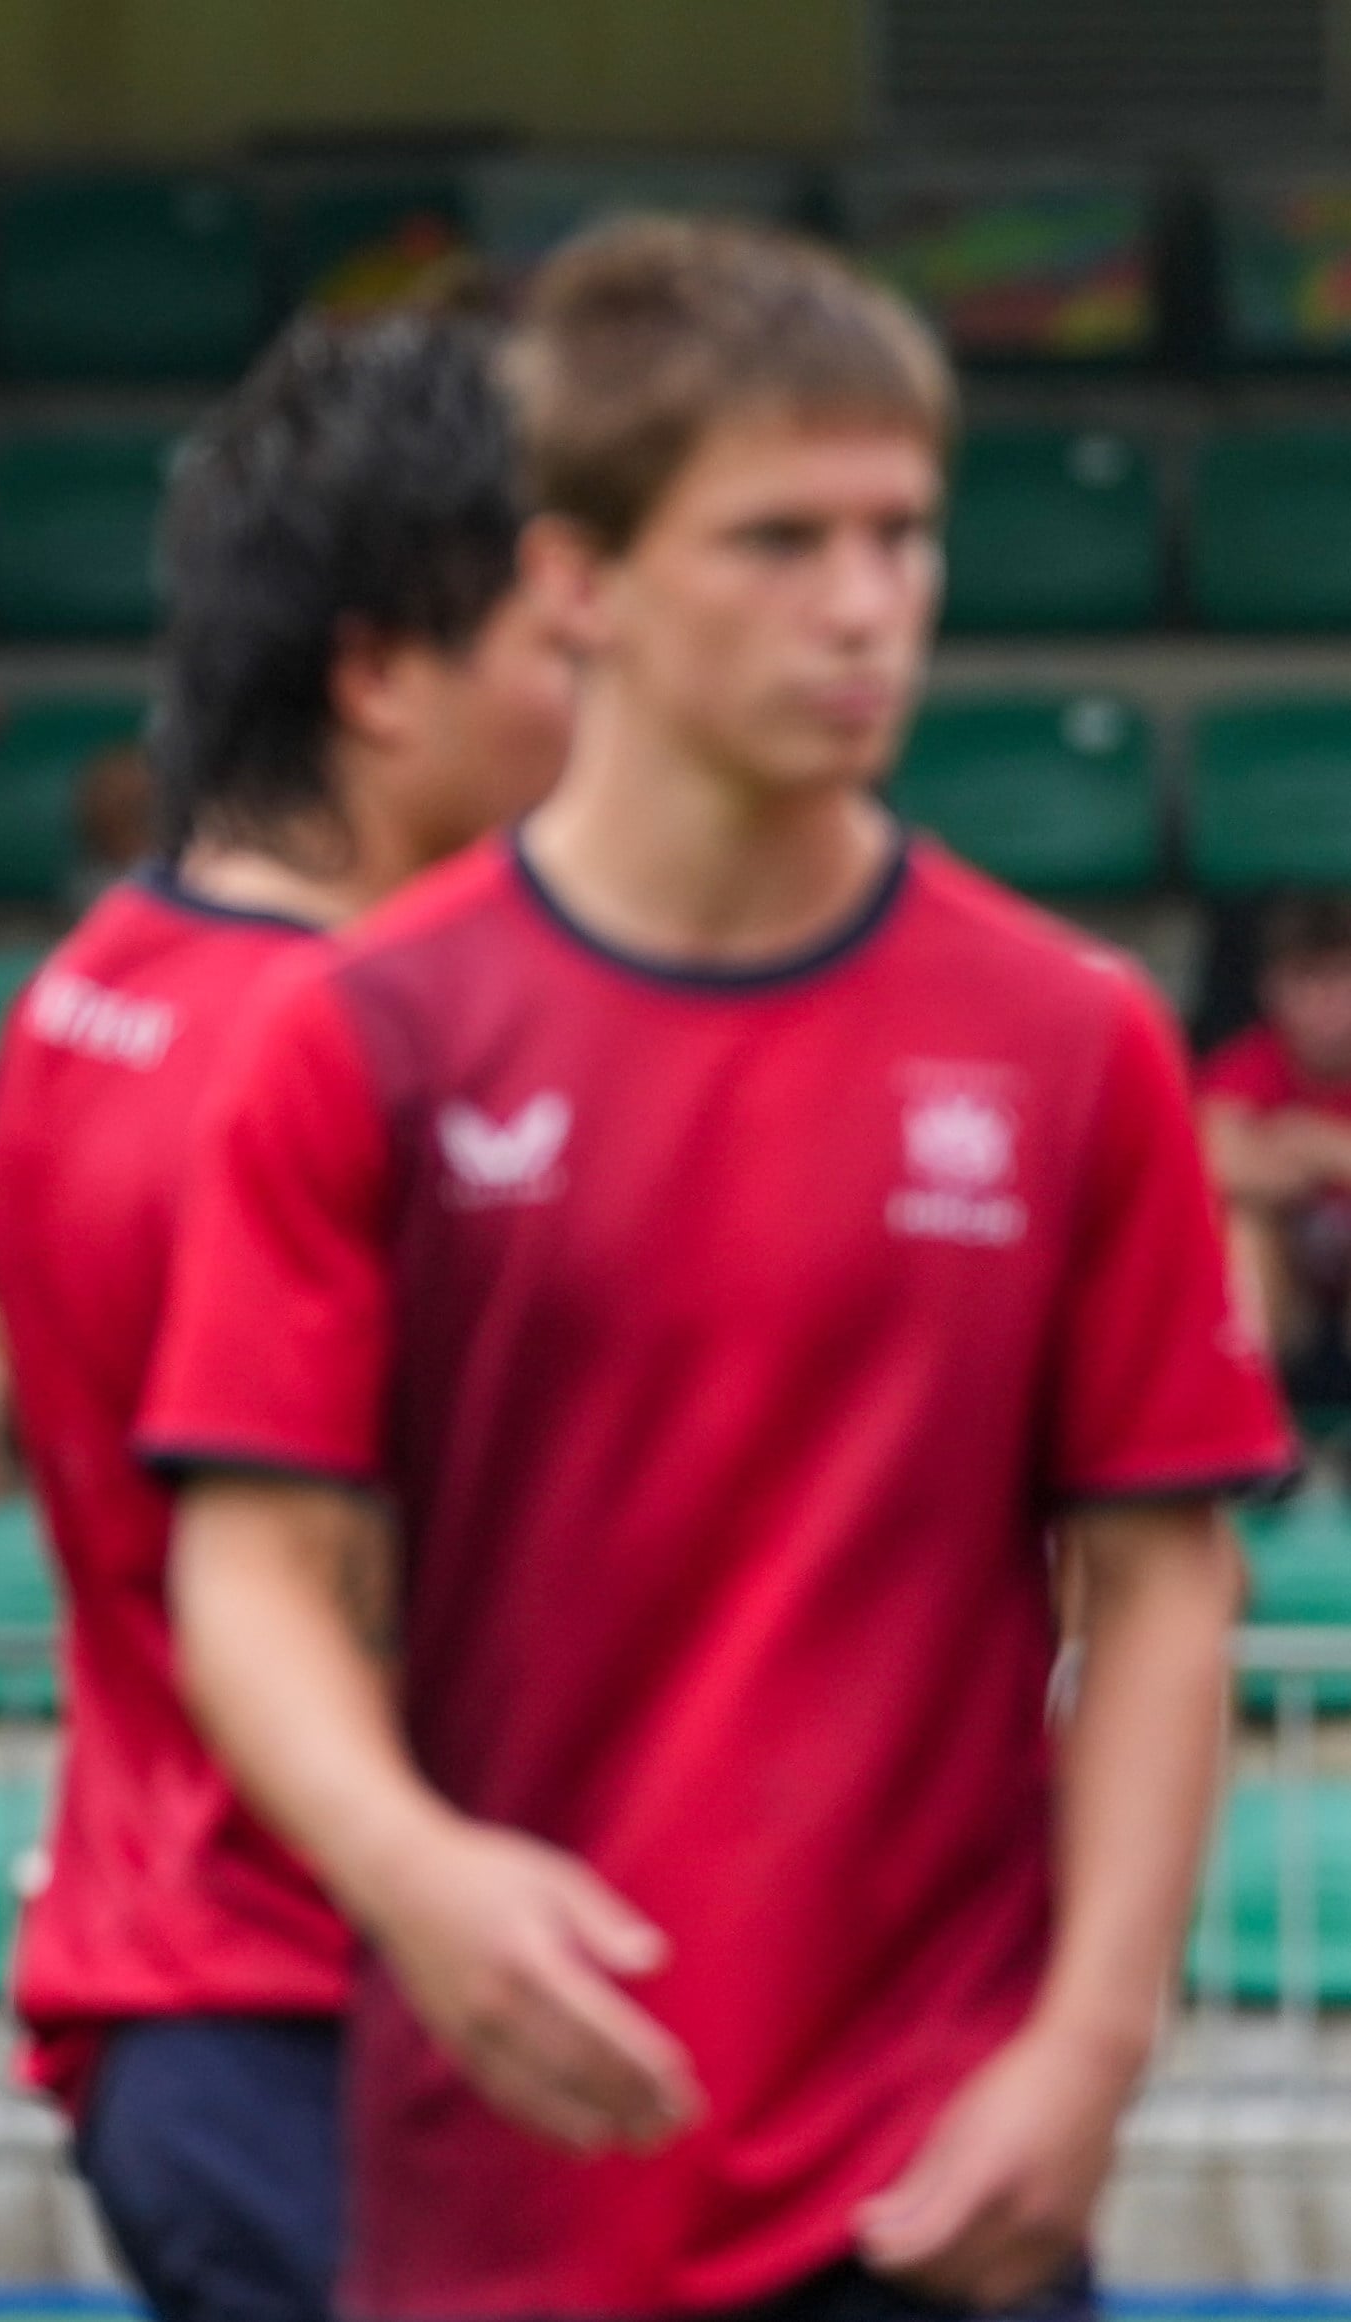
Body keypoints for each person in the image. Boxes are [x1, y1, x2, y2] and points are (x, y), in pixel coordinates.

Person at [151, 218, 1290, 2322]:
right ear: (576, 582)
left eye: (901, 535)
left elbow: (1159, 1576)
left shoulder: (1069, 1036)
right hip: (506, 2191)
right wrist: (410, 1872)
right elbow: (245, 1573)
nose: (864, 608)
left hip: (938, 2191)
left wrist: (1088, 2049)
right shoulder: (367, 1033)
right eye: (777, 541)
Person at [0, 305, 574, 2322]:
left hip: (202, 2000)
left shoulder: (88, 995)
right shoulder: (339, 1066)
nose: (602, 702)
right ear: (381, 677)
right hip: (335, 2024)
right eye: (555, 649)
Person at [1198, 893, 1351, 1405]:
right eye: (1307, 982)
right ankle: (1244, 1431)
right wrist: (1330, 1155)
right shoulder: (1248, 1062)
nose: (1327, 1005)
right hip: (1295, 1300)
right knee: (1244, 1223)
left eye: (1340, 980)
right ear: (1271, 989)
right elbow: (1212, 1162)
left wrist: (1304, 1139)